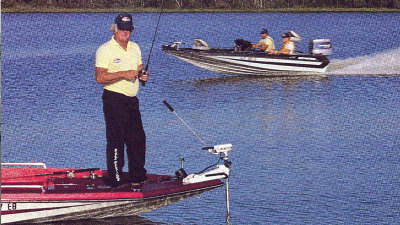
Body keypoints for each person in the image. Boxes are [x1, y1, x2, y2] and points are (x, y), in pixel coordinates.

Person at [95, 13, 149, 187]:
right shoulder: (105, 49)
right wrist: (123, 74)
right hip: (114, 98)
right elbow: (100, 77)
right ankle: (116, 179)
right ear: (115, 29)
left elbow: (140, 68)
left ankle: (137, 176)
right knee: (116, 139)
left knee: (138, 138)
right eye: (122, 29)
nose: (125, 32)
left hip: (132, 99)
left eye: (128, 29)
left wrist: (143, 76)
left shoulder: (135, 47)